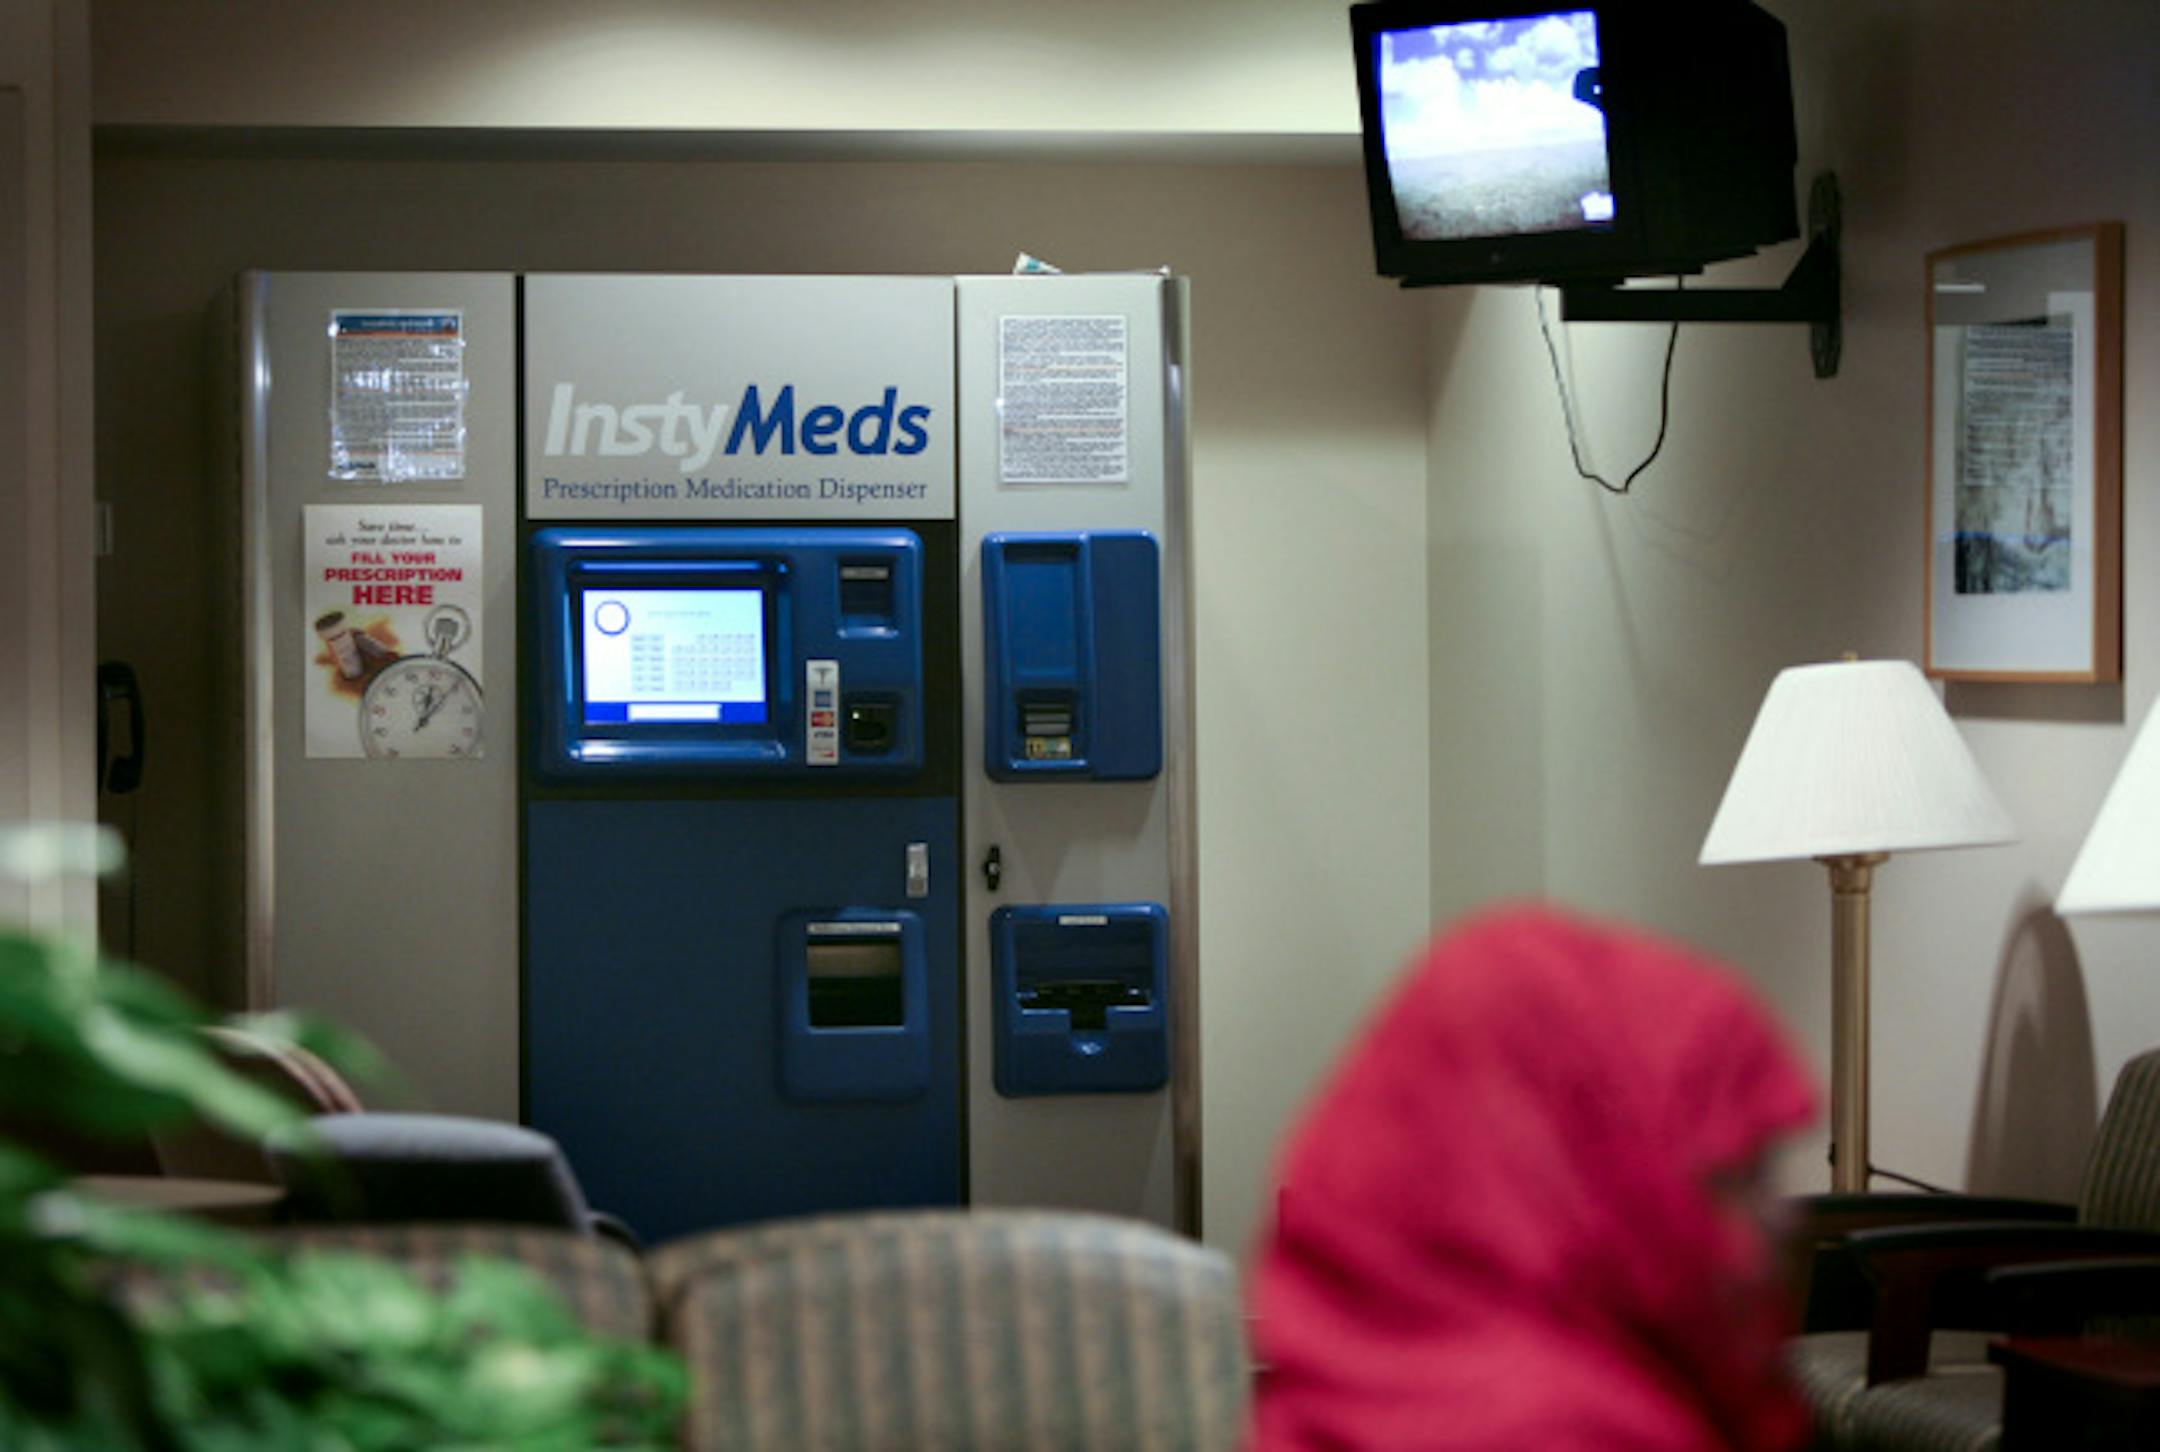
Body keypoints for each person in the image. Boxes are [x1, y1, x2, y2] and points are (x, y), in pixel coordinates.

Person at [1246, 906, 1817, 1452]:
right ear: (1607, 1180)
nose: (1781, 1214)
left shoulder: (1343, 1384)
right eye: (1741, 1175)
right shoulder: (1582, 1429)